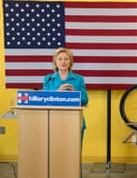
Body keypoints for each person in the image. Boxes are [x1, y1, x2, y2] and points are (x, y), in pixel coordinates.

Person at [42, 47, 89, 177]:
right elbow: (43, 99)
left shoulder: (78, 79)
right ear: (55, 62)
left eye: (66, 59)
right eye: (60, 59)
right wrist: (57, 92)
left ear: (70, 62)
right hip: (53, 122)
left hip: (75, 123)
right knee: (54, 154)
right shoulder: (48, 79)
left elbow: (85, 100)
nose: (63, 61)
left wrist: (74, 93)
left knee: (73, 155)